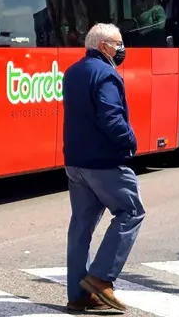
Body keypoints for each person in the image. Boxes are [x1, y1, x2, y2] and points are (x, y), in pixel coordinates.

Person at [61, 22, 144, 313]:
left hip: (75, 162)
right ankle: (100, 278)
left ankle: (77, 296)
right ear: (104, 46)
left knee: (81, 227)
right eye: (118, 44)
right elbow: (111, 118)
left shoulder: (72, 72)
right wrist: (130, 141)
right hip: (104, 162)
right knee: (132, 211)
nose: (122, 49)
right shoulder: (106, 74)